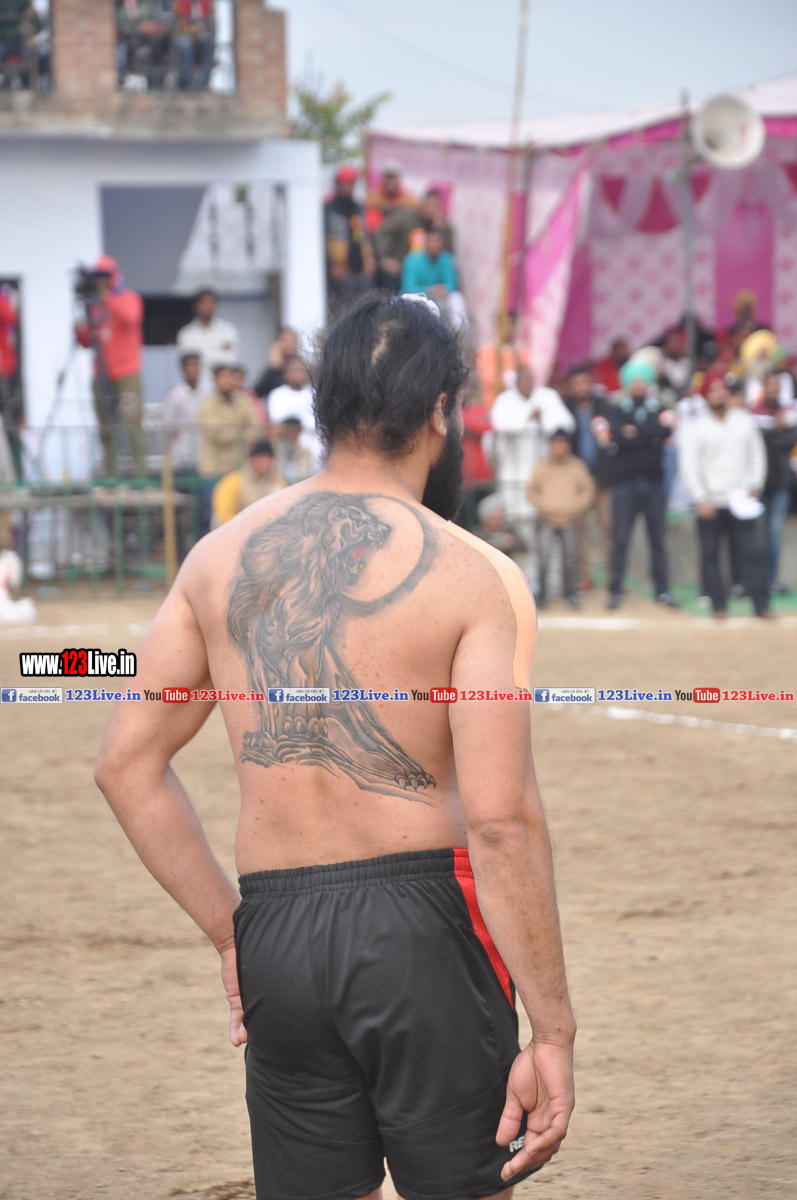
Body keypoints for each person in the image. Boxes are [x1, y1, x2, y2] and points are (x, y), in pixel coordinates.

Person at [94, 292, 575, 1200]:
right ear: (440, 411)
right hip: (422, 925)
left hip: (275, 926)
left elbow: (124, 764)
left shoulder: (215, 558)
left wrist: (230, 933)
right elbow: (500, 821)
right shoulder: (474, 575)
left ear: (322, 406)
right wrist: (551, 1031)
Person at [679, 374, 771, 620]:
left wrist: (755, 484)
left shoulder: (744, 421)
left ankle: (761, 605)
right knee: (711, 555)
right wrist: (700, 497)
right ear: (705, 396)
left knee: (751, 553)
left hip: (741, 499)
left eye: (722, 389)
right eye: (713, 390)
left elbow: (757, 455)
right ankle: (718, 606)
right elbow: (689, 465)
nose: (718, 394)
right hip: (711, 501)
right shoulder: (696, 426)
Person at [600, 359, 679, 610]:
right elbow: (617, 436)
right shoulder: (616, 410)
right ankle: (615, 590)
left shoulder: (660, 409)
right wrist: (648, 435)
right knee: (620, 539)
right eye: (633, 381)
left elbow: (665, 432)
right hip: (625, 484)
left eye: (641, 381)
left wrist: (636, 433)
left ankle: (662, 590)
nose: (637, 386)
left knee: (658, 540)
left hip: (654, 484)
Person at [490, 363, 575, 565]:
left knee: (548, 530)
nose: (526, 383)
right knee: (519, 529)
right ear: (516, 382)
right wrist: (528, 417)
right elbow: (499, 424)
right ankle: (525, 576)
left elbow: (567, 424)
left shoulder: (547, 396)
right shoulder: (505, 399)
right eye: (522, 379)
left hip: (544, 475)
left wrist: (543, 418)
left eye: (529, 379)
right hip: (513, 476)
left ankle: (549, 578)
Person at [75, 254, 145, 478]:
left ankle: (139, 477)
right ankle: (110, 476)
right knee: (106, 429)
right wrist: (79, 323)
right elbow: (86, 341)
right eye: (98, 277)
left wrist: (107, 296)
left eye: (105, 276)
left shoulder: (129, 298)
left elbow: (131, 317)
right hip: (102, 374)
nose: (101, 281)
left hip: (126, 372)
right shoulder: (95, 306)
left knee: (132, 426)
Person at [526, 430, 596, 609]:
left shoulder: (577, 466)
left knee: (571, 559)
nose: (559, 447)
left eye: (562, 443)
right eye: (555, 443)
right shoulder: (542, 466)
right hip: (546, 520)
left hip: (570, 520)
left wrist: (576, 507)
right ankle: (542, 596)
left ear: (568, 446)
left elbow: (588, 489)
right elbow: (531, 490)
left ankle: (571, 594)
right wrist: (544, 505)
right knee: (543, 558)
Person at [564, 364, 613, 588]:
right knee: (580, 531)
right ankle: (584, 576)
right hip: (577, 480)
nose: (581, 387)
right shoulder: (566, 409)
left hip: (603, 476)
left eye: (584, 382)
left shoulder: (604, 406)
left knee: (608, 527)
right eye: (576, 383)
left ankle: (613, 575)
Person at [750, 371, 797, 595]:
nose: (774, 389)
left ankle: (771, 579)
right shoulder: (755, 412)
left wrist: (771, 435)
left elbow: (789, 440)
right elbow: (755, 442)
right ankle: (754, 579)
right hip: (758, 482)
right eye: (770, 384)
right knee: (756, 534)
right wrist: (775, 432)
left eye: (777, 385)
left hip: (780, 482)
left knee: (773, 533)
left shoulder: (788, 412)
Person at [324, 164, 373, 311]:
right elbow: (321, 242)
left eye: (351, 183)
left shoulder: (358, 208)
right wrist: (331, 264)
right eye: (345, 183)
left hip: (359, 271)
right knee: (342, 309)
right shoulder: (328, 209)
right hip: (338, 272)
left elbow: (365, 236)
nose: (348, 187)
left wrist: (369, 259)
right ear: (338, 184)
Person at [400, 229, 467, 332]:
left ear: (442, 243)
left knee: (456, 298)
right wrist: (429, 290)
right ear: (425, 242)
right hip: (421, 298)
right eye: (431, 241)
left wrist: (443, 289)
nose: (434, 245)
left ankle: (459, 333)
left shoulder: (446, 258)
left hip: (441, 298)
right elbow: (408, 287)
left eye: (437, 241)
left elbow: (452, 283)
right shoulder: (412, 260)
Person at [177, 288, 240, 391]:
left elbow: (230, 360)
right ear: (196, 305)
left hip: (223, 387)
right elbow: (191, 364)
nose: (208, 306)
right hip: (197, 388)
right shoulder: (186, 333)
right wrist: (219, 350)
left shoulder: (228, 329)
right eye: (204, 302)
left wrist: (203, 354)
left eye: (211, 302)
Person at [211, 439, 285, 525]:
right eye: (261, 458)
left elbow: (286, 510)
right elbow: (225, 515)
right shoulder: (233, 482)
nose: (266, 462)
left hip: (270, 529)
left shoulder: (279, 482)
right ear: (252, 459)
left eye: (269, 458)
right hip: (238, 529)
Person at [161, 352, 206, 476]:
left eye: (195, 365)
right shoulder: (174, 394)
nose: (193, 369)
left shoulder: (207, 392)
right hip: (182, 457)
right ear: (182, 369)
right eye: (189, 365)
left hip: (204, 455)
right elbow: (167, 425)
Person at [475, 312, 531, 409]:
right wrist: (509, 379)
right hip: (492, 405)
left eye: (512, 324)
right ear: (497, 327)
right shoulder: (486, 351)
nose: (509, 328)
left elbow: (528, 379)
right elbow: (488, 379)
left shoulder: (521, 353)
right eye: (506, 324)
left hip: (519, 406)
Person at [0, 285, 21, 481]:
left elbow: (11, 317)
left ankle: (11, 478)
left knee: (8, 423)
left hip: (5, 370)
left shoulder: (4, 301)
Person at [173, 0, 215, 91]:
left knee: (208, 42)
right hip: (183, 33)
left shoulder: (206, 3)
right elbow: (177, 23)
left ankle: (204, 82)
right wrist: (191, 29)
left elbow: (210, 22)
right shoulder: (180, 2)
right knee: (186, 44)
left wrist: (200, 31)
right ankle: (186, 82)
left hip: (201, 33)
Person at [473, 492, 526, 562]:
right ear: (485, 519)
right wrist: (500, 543)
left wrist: (512, 542)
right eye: (494, 518)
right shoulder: (478, 535)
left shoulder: (509, 531)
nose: (497, 521)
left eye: (500, 518)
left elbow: (524, 547)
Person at [253, 326, 299, 401]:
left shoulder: (304, 368)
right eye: (285, 341)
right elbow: (254, 395)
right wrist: (274, 368)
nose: (289, 344)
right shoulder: (273, 371)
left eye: (292, 341)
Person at [272, 416, 316, 486]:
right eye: (290, 431)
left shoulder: (305, 452)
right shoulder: (275, 448)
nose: (294, 434)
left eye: (297, 431)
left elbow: (306, 474)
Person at [420, 188, 455, 252]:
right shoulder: (416, 222)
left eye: (434, 205)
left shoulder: (445, 227)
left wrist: (440, 229)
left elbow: (449, 252)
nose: (430, 209)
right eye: (428, 205)